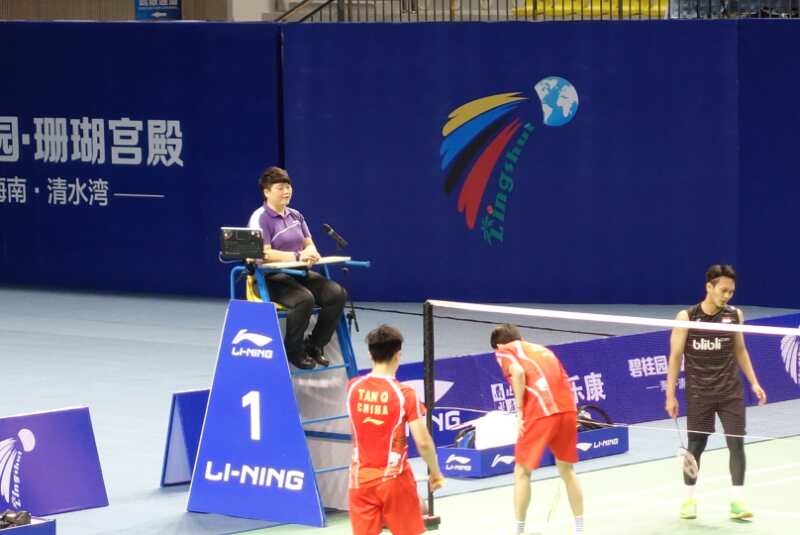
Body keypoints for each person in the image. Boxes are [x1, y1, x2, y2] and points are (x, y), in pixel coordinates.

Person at [665, 264, 767, 521]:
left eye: (731, 292)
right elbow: (675, 357)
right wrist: (670, 395)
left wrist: (754, 382)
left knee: (736, 444)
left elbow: (740, 350)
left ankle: (737, 501)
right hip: (699, 393)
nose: (727, 296)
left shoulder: (735, 315)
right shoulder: (687, 317)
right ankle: (688, 500)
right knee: (695, 447)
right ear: (708, 287)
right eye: (723, 290)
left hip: (730, 391)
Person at [346, 325, 445, 535]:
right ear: (398, 355)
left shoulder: (352, 387)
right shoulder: (405, 394)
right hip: (394, 480)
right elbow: (424, 442)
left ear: (370, 355)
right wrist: (435, 473)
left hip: (359, 481)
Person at [248, 166, 347, 370]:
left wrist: (311, 252)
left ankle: (314, 345)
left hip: (298, 274)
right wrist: (297, 256)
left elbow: (309, 244)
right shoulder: (260, 218)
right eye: (280, 188)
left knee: (337, 294)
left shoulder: (296, 216)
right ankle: (293, 351)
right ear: (267, 192)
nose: (286, 191)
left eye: (288, 187)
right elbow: (264, 253)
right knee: (304, 299)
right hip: (269, 278)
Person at [490, 324, 585, 535]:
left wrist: (519, 411)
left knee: (522, 472)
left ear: (498, 346)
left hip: (540, 412)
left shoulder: (505, 351)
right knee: (567, 470)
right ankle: (579, 529)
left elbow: (518, 372)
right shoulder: (543, 350)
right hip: (567, 409)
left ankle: (518, 531)